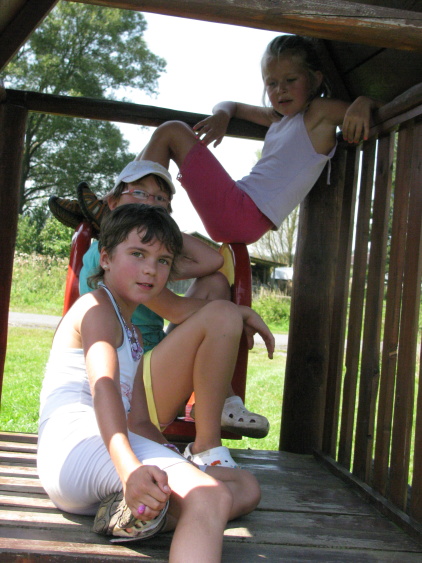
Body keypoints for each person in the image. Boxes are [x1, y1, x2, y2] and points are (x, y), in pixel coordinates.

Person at [37, 204, 273, 558]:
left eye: (163, 260)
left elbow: (140, 422)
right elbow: (104, 388)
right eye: (138, 254)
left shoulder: (132, 333)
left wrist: (172, 459)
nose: (151, 268)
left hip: (101, 455)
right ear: (106, 258)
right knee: (210, 496)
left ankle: (133, 513)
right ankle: (147, 500)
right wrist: (130, 470)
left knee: (245, 487)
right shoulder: (96, 309)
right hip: (77, 447)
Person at [50, 160, 271, 438]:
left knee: (214, 282)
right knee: (222, 313)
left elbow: (212, 261)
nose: (149, 202)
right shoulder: (115, 257)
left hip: (154, 365)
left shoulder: (148, 261)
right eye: (138, 192)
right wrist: (239, 312)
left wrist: (160, 227)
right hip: (132, 392)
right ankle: (210, 434)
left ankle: (217, 401)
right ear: (112, 202)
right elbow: (176, 310)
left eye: (160, 199)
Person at [135, 34, 383, 245]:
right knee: (161, 139)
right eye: (271, 83)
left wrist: (364, 102)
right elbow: (230, 104)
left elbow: (384, 109)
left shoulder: (318, 113)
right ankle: (128, 201)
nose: (280, 89)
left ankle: (131, 214)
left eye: (290, 80)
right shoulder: (278, 120)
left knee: (172, 131)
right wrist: (222, 116)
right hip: (242, 212)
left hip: (245, 212)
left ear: (315, 79)